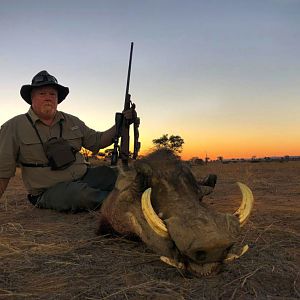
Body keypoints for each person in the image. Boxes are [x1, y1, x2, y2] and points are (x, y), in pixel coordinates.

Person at [0, 70, 136, 212]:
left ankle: (137, 197)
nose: (48, 98)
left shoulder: (72, 121)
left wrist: (120, 124)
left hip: (84, 176)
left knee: (120, 176)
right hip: (48, 190)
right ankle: (125, 204)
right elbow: (2, 170)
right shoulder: (13, 127)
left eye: (52, 94)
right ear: (31, 98)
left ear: (58, 99)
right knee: (81, 195)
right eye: (42, 93)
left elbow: (97, 141)